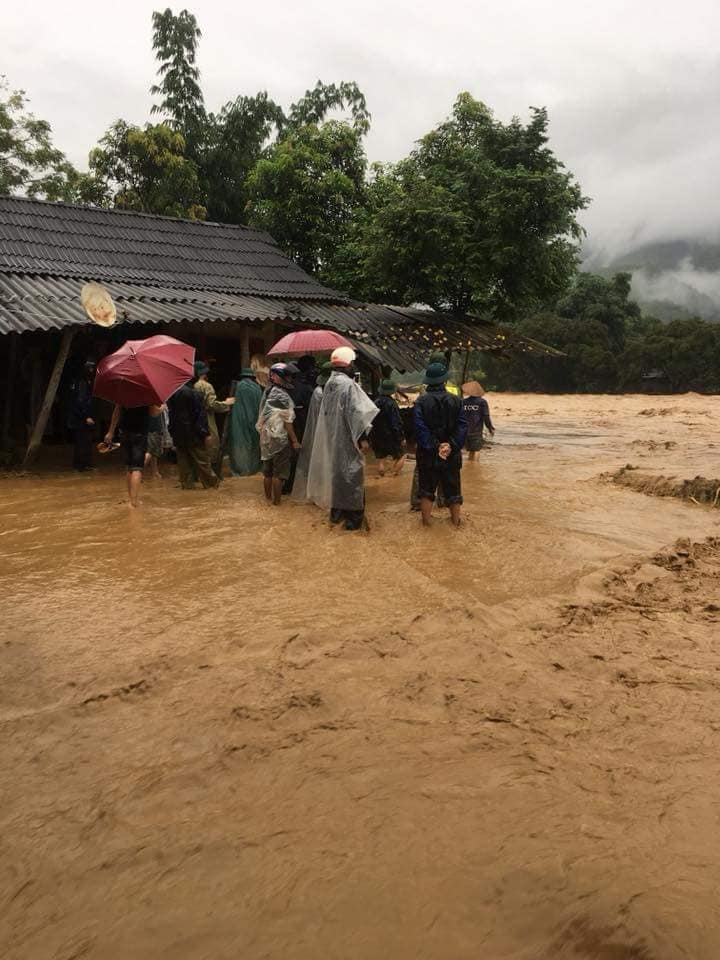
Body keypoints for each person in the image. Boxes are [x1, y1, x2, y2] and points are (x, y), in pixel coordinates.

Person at [306, 347, 378, 531]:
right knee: (353, 477)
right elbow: (359, 413)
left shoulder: (329, 384)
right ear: (348, 365)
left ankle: (336, 518)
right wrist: (363, 438)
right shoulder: (348, 385)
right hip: (348, 439)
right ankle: (353, 524)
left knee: (337, 476)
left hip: (333, 439)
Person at [413, 361, 468, 527]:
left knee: (426, 490)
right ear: (444, 381)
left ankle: (426, 524)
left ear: (428, 381)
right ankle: (456, 522)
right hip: (451, 454)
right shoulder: (457, 401)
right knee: (453, 489)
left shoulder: (421, 402)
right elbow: (463, 426)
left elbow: (419, 428)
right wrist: (450, 445)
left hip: (427, 454)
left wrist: (435, 446)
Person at [410, 351, 450, 511]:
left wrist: (419, 440)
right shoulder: (452, 390)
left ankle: (418, 503)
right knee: (445, 470)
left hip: (426, 439)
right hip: (446, 438)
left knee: (421, 471)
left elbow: (418, 419)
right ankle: (443, 500)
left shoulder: (422, 390)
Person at [256, 363, 300, 505]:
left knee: (267, 471)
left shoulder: (268, 391)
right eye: (286, 376)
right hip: (278, 436)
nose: (289, 379)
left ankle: (268, 501)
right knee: (279, 473)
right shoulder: (281, 394)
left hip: (265, 436)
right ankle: (277, 504)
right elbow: (287, 421)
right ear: (277, 376)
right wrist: (294, 441)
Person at [292, 361, 332, 503]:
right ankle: (323, 493)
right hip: (324, 433)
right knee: (325, 463)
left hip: (317, 432)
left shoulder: (316, 392)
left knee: (320, 462)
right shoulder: (322, 393)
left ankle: (319, 491)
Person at [167, 380, 218, 490]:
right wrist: (205, 433)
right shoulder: (194, 394)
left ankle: (187, 487)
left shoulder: (171, 395)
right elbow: (200, 415)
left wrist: (172, 432)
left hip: (179, 434)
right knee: (203, 462)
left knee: (184, 464)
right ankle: (212, 486)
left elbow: (171, 416)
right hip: (194, 434)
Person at [104, 402, 153, 508]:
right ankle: (134, 503)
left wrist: (111, 432)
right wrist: (162, 408)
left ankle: (131, 499)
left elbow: (116, 412)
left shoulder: (123, 392)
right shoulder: (147, 395)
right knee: (137, 468)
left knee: (129, 467)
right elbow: (153, 412)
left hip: (124, 433)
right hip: (140, 434)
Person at [193, 361, 235, 479]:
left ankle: (197, 477)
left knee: (198, 450)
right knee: (211, 448)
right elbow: (211, 405)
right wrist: (226, 403)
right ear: (204, 373)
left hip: (193, 422)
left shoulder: (191, 385)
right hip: (206, 419)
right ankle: (211, 478)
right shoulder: (205, 386)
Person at [283, 355, 316, 494]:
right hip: (302, 424)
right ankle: (300, 485)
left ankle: (289, 485)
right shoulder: (306, 387)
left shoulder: (283, 387)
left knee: (290, 455)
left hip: (286, 424)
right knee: (302, 454)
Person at [228, 368, 263, 476]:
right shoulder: (257, 388)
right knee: (254, 443)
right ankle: (253, 468)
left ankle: (241, 469)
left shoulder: (238, 387)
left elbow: (232, 402)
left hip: (238, 420)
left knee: (240, 443)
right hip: (255, 420)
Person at [370, 379, 406, 477]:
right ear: (392, 391)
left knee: (381, 457)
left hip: (376, 434)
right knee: (401, 455)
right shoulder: (392, 404)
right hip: (390, 435)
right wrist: (401, 437)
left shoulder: (375, 402)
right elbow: (395, 422)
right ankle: (394, 475)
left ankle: (381, 472)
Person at [67, 360, 96, 472]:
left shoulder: (87, 381)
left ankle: (85, 464)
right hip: (80, 417)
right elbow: (80, 401)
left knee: (86, 440)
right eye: (90, 368)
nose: (92, 370)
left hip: (84, 415)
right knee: (82, 441)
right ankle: (80, 465)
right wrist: (86, 416)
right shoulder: (81, 382)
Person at [462, 382, 495, 461]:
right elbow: (486, 416)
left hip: (465, 430)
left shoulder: (463, 402)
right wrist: (490, 427)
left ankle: (470, 467)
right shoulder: (482, 402)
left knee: (470, 450)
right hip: (476, 430)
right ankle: (475, 466)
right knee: (477, 450)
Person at [144, 402, 167, 479]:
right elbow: (155, 412)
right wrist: (163, 407)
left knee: (154, 452)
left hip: (150, 427)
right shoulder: (150, 398)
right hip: (153, 428)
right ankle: (137, 472)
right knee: (150, 451)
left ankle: (155, 472)